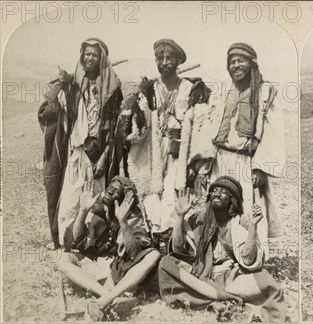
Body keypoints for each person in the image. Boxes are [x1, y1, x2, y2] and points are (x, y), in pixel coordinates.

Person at [157, 176, 287, 322]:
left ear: (233, 199)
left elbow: (249, 260)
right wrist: (180, 217)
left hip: (230, 278)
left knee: (265, 280)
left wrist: (253, 227)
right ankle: (223, 299)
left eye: (223, 192)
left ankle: (211, 298)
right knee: (166, 264)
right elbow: (178, 250)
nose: (216, 194)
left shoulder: (241, 220)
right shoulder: (198, 219)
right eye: (214, 190)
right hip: (200, 276)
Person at [119, 38, 213, 233]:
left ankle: (173, 239)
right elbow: (138, 127)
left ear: (178, 61)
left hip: (180, 151)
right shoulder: (150, 90)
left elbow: (200, 125)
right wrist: (133, 108)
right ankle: (153, 237)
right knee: (151, 194)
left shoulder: (191, 89)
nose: (163, 62)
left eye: (168, 57)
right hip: (152, 150)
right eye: (159, 58)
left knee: (174, 195)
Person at [39, 38, 124, 249]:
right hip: (76, 152)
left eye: (95, 54)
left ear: (102, 58)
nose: (90, 58)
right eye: (87, 53)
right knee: (70, 197)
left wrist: (105, 156)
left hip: (99, 154)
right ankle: (63, 241)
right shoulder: (74, 86)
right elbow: (50, 101)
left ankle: (91, 242)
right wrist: (61, 82)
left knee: (95, 199)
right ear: (82, 55)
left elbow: (113, 128)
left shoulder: (112, 89)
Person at [54, 177, 160, 321]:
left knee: (153, 255)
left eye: (116, 191)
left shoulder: (133, 218)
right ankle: (108, 297)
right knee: (60, 257)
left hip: (121, 275)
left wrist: (123, 222)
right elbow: (73, 242)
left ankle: (106, 299)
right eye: (110, 187)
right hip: (97, 269)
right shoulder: (99, 211)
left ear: (124, 200)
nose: (109, 191)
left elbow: (135, 253)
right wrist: (83, 211)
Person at [211, 43, 285, 245]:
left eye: (240, 60)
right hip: (221, 160)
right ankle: (224, 249)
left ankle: (251, 252)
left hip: (247, 163)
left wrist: (262, 167)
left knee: (248, 206)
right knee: (220, 206)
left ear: (252, 64)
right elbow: (212, 126)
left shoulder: (265, 92)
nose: (236, 65)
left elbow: (274, 132)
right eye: (232, 62)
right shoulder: (223, 92)